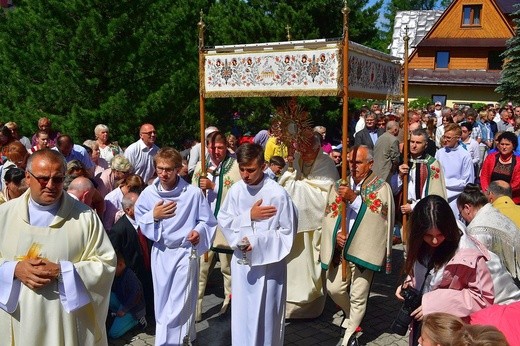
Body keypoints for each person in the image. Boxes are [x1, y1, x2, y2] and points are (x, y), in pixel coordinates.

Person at [0, 148, 116, 345]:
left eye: (58, 179)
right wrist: (13, 269)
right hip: (19, 317)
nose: (51, 185)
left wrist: (63, 271)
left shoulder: (85, 217)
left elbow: (106, 264)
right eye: (43, 178)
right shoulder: (5, 214)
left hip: (64, 320)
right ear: (28, 177)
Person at [134, 147, 217, 345]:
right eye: (160, 168)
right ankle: (183, 336)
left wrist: (198, 232)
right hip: (161, 252)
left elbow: (207, 221)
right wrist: (154, 216)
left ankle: (171, 342)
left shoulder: (193, 193)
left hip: (184, 251)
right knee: (163, 300)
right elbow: (139, 219)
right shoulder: (148, 194)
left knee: (179, 301)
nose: (163, 173)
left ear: (179, 169)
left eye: (169, 169)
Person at [218, 143, 297, 345]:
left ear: (263, 166)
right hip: (243, 266)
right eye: (242, 169)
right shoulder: (236, 191)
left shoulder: (277, 194)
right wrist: (248, 216)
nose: (245, 175)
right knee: (243, 314)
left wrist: (257, 243)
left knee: (267, 316)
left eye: (251, 169)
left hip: (269, 266)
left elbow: (287, 233)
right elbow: (224, 221)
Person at [395, 195, 495, 345]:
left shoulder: (469, 254)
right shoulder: (418, 243)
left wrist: (435, 303)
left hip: (448, 333)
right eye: (428, 236)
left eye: (440, 235)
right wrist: (408, 284)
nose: (434, 241)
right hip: (422, 326)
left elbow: (483, 298)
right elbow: (420, 273)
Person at [321, 145, 394, 346]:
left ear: (370, 163)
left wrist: (354, 199)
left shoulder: (381, 187)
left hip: (364, 249)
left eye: (358, 162)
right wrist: (336, 235)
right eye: (351, 162)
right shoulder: (337, 186)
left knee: (358, 295)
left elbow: (381, 219)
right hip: (341, 250)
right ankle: (350, 314)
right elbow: (329, 217)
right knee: (333, 288)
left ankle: (349, 337)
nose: (353, 167)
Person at [278, 131, 339, 319]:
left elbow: (326, 193)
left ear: (317, 148)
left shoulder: (326, 163)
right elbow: (285, 184)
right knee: (292, 267)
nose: (303, 154)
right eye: (300, 149)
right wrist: (290, 172)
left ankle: (310, 307)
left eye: (307, 150)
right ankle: (287, 305)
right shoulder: (295, 158)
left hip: (314, 226)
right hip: (293, 226)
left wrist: (298, 185)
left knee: (310, 266)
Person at [191, 131, 241, 321]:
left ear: (226, 147)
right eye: (212, 147)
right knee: (201, 268)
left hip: (225, 225)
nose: (216, 151)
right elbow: (192, 193)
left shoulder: (235, 166)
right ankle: (195, 309)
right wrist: (200, 186)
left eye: (220, 147)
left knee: (227, 268)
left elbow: (237, 192)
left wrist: (214, 187)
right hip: (205, 225)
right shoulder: (200, 166)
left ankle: (229, 305)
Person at [457, 184, 520, 283]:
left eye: (460, 213)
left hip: (509, 281)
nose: (462, 217)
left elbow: (477, 266)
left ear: (467, 208)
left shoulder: (476, 229)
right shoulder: (493, 212)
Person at [109, 191, 154, 328]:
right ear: (128, 210)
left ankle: (151, 316)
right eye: (139, 206)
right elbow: (113, 255)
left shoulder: (147, 221)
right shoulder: (119, 230)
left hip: (149, 268)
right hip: (133, 275)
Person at [435, 123, 474, 217]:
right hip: (440, 194)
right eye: (444, 137)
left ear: (457, 138)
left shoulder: (465, 155)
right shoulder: (440, 153)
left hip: (456, 198)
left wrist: (445, 183)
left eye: (449, 138)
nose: (445, 140)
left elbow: (468, 181)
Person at [107, 251, 147, 339]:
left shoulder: (129, 276)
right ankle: (117, 316)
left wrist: (124, 310)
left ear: (121, 264)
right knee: (107, 297)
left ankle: (137, 320)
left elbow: (136, 295)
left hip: (133, 308)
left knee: (113, 334)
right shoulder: (119, 274)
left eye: (113, 268)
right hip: (123, 301)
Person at [480, 131, 520, 204]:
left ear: (513, 146)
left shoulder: (518, 162)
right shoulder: (491, 157)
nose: (504, 147)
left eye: (507, 144)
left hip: (511, 199)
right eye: (502, 144)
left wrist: (500, 195)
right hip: (491, 197)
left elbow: (517, 183)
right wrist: (487, 192)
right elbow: (484, 176)